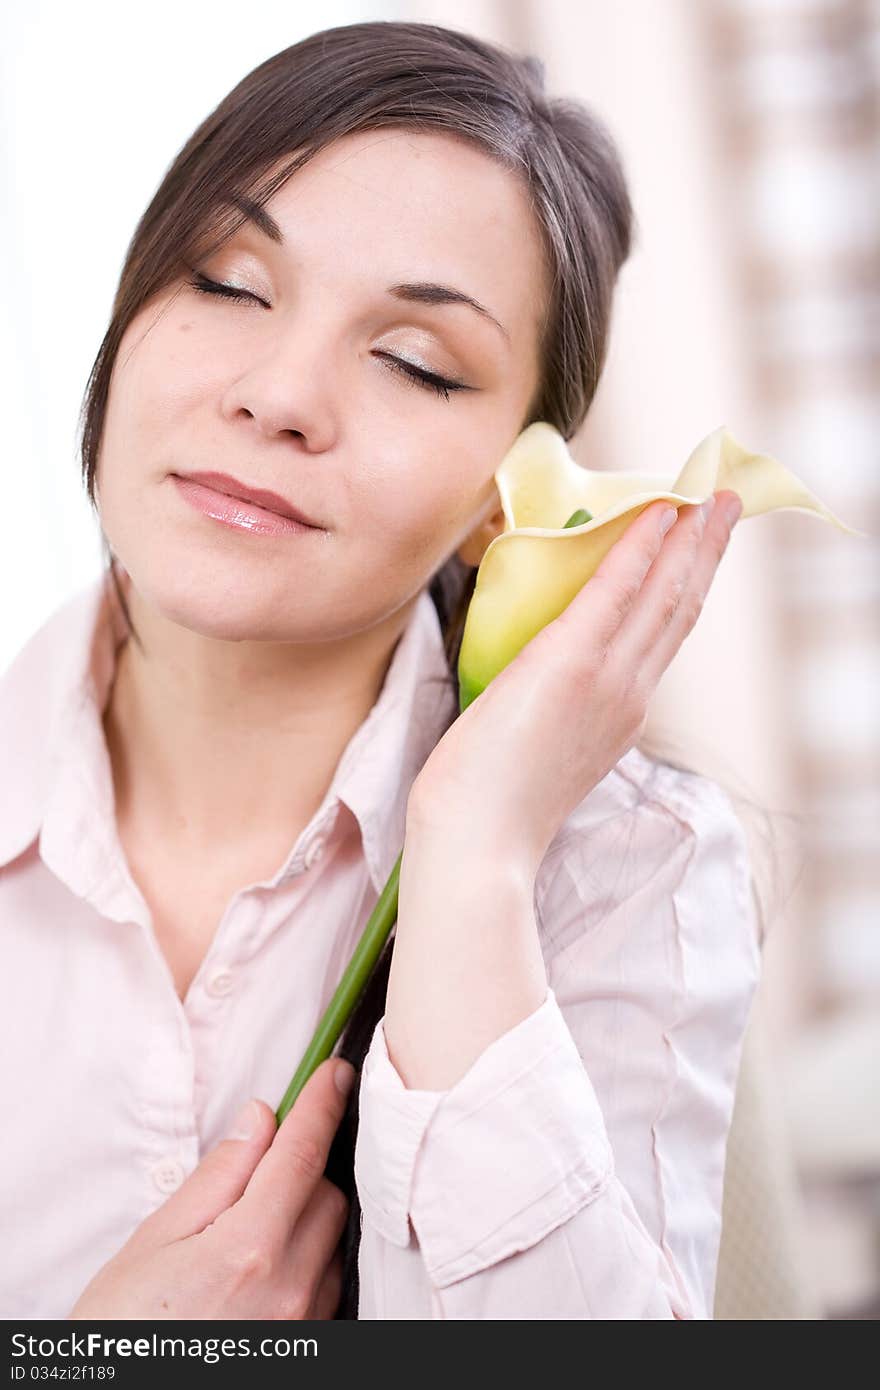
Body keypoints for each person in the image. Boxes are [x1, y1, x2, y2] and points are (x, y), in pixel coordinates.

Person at [0, 20, 759, 1320]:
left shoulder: (627, 860)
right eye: (228, 284)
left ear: (503, 501)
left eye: (414, 361)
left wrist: (471, 856)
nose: (281, 392)